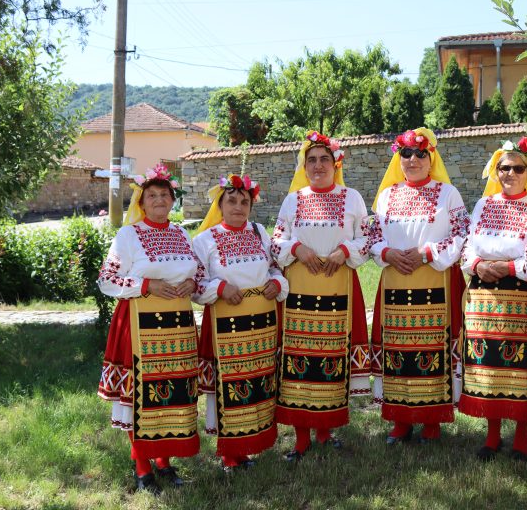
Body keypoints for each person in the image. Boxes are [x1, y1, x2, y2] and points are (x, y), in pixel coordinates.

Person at [97, 164, 202, 494]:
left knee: (172, 393)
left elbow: (198, 275)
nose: (159, 200)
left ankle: (164, 460)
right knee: (140, 396)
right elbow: (107, 279)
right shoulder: (128, 235)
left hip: (179, 326)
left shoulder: (182, 234)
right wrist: (146, 285)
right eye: (152, 195)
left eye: (165, 194)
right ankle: (142, 468)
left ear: (173, 200)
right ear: (141, 202)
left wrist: (191, 283)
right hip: (140, 324)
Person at [272, 130, 371, 461]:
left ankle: (325, 432)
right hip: (300, 288)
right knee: (300, 359)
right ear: (304, 166)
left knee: (331, 357)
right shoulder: (293, 199)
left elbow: (366, 239)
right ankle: (302, 438)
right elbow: (276, 241)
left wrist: (345, 251)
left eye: (324, 159)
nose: (318, 165)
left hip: (337, 284)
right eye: (311, 160)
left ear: (335, 163)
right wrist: (296, 249)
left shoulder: (352, 197)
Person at [369, 128, 469, 445]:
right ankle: (400, 420)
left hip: (435, 282)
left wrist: (427, 252)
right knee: (398, 351)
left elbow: (462, 234)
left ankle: (432, 421)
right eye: (406, 154)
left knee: (432, 350)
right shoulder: (387, 195)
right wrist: (388, 253)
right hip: (396, 283)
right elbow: (373, 237)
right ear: (398, 159)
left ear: (431, 158)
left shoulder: (448, 194)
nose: (413, 160)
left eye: (420, 154)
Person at [192, 172, 289, 472]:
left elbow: (274, 268)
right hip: (227, 326)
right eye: (231, 201)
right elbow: (196, 285)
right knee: (230, 386)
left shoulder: (259, 232)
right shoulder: (204, 240)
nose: (238, 207)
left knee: (259, 382)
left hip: (261, 324)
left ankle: (252, 444)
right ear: (220, 205)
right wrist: (220, 288)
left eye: (244, 202)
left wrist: (277, 283)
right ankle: (230, 453)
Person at [459, 137, 527, 462]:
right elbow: (468, 246)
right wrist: (478, 265)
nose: (510, 173)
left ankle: (521, 436)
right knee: (489, 365)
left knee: (520, 365)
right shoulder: (484, 205)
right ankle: (492, 435)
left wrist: (508, 267)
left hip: (520, 293)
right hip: (483, 295)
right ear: (496, 172)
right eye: (504, 168)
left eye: (518, 168)